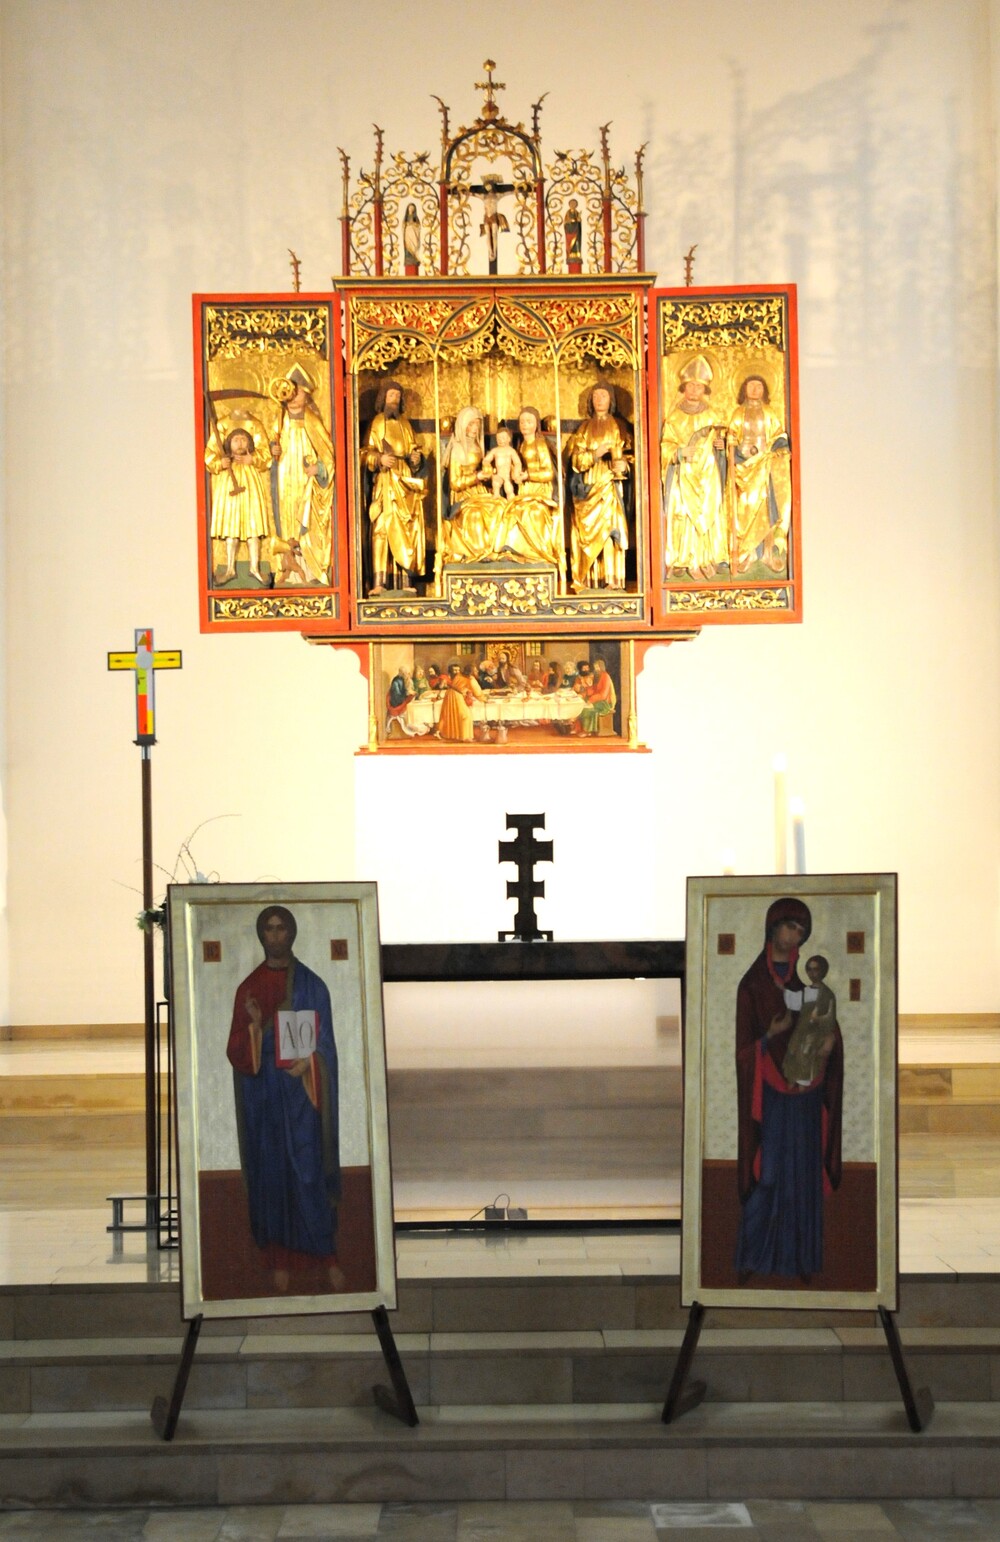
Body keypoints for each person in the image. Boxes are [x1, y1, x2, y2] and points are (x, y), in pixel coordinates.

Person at [226, 906, 344, 1293]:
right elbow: (237, 1051)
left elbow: (326, 1048)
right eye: (269, 929)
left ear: (291, 933)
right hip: (266, 1100)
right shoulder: (249, 988)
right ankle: (280, 1261)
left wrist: (309, 1064)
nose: (275, 935)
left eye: (281, 928)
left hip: (302, 1097)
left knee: (308, 1173)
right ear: (261, 935)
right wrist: (254, 1027)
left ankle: (327, 1255)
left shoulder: (313, 985)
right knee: (274, 1175)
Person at [734, 898, 843, 1283]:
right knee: (769, 1174)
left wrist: (829, 1045)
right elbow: (743, 1051)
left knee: (803, 1176)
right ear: (773, 928)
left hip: (807, 1094)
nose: (795, 935)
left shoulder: (807, 989)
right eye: (790, 926)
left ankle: (800, 1261)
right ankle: (753, 1257)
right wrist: (770, 1036)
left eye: (801, 930)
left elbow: (828, 1031)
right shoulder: (751, 987)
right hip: (771, 1096)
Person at [660, 355, 726, 580]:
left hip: (708, 473)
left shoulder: (713, 414)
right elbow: (665, 446)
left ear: (705, 388)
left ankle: (707, 557)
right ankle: (683, 557)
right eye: (691, 385)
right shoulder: (674, 417)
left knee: (709, 510)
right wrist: (678, 452)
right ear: (684, 387)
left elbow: (725, 438)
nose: (695, 390)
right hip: (683, 474)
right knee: (682, 513)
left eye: (699, 386)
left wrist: (722, 445)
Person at [269, 367, 335, 583]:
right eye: (292, 392)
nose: (294, 397)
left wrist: (320, 469)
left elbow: (328, 454)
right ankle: (286, 568)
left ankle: (308, 569)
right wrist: (272, 450)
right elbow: (268, 444)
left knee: (305, 517)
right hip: (284, 477)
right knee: (286, 515)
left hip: (306, 480)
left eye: (298, 393)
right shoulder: (280, 419)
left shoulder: (312, 420)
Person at [362, 380, 427, 595]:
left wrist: (415, 459)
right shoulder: (378, 422)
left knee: (405, 528)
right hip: (385, 479)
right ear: (383, 398)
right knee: (381, 528)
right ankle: (379, 582)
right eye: (391, 396)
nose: (394, 400)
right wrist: (379, 459)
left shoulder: (405, 424)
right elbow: (365, 453)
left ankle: (405, 579)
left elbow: (413, 451)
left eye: (398, 397)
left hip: (404, 479)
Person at [567, 383, 632, 591]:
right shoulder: (584, 428)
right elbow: (576, 460)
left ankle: (612, 577)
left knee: (611, 530)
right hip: (590, 484)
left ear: (611, 400)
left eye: (603, 396)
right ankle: (590, 580)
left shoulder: (621, 427)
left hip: (611, 484)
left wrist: (625, 465)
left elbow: (632, 456)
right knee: (589, 533)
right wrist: (595, 454)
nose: (599, 400)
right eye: (595, 396)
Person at [726, 374, 791, 574]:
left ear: (765, 390)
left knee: (765, 509)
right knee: (745, 510)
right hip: (743, 468)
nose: (755, 390)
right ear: (744, 389)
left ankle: (767, 554)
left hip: (764, 467)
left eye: (759, 386)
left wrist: (778, 448)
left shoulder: (769, 413)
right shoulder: (738, 413)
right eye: (751, 385)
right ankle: (748, 554)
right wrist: (732, 447)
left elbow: (779, 435)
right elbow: (731, 438)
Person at [205, 420, 273, 585]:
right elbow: (209, 457)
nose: (240, 443)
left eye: (243, 439)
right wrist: (220, 463)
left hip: (250, 486)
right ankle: (230, 569)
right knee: (231, 527)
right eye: (236, 440)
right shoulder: (228, 462)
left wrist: (254, 459)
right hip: (230, 486)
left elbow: (266, 458)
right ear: (229, 443)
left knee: (254, 526)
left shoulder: (250, 460)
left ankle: (254, 568)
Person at [783, 955, 838, 1086]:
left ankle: (805, 1092)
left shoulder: (828, 994)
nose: (812, 973)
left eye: (816, 969)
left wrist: (817, 1018)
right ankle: (792, 1092)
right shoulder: (805, 991)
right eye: (809, 969)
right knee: (792, 1059)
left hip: (816, 1035)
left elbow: (830, 1019)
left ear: (823, 971)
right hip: (800, 1033)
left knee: (805, 1063)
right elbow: (793, 1002)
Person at [436, 660, 483, 741]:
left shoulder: (460, 675)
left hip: (450, 695)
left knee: (454, 716)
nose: (477, 672)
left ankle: (456, 736)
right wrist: (484, 699)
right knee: (465, 716)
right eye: (475, 670)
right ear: (471, 672)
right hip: (456, 696)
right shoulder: (470, 679)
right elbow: (477, 692)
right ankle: (465, 737)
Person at [576, 656, 616, 735]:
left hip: (605, 703)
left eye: (597, 667)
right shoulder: (598, 676)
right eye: (595, 667)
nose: (596, 669)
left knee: (587, 710)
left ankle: (587, 731)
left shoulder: (605, 676)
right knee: (583, 707)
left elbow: (603, 695)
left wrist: (591, 700)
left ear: (601, 667)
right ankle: (586, 730)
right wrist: (585, 693)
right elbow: (594, 689)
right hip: (598, 701)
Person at [481, 425, 523, 499]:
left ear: (509, 439)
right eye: (498, 438)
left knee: (509, 489)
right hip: (498, 474)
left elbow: (517, 462)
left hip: (507, 475)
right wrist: (487, 464)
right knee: (495, 483)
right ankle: (496, 495)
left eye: (503, 438)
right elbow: (486, 460)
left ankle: (511, 500)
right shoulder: (495, 450)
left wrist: (517, 470)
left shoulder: (511, 451)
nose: (500, 440)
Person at [402, 202, 421, 274]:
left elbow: (418, 227)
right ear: (408, 208)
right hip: (408, 234)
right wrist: (407, 225)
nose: (411, 209)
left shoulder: (415, 218)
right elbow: (403, 227)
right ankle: (409, 258)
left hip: (413, 234)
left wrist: (413, 225)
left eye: (412, 208)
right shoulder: (406, 218)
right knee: (408, 247)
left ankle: (414, 256)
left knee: (414, 246)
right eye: (410, 207)